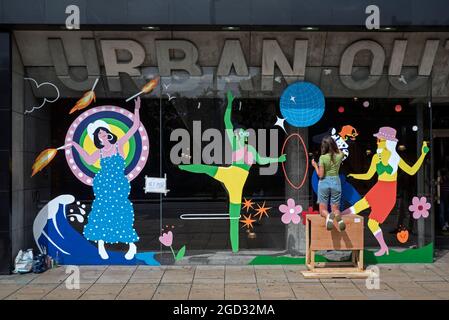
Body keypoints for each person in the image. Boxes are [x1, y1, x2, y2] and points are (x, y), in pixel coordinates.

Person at [178, 91, 286, 252]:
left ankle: (235, 249)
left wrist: (278, 159)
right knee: (206, 169)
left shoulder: (250, 149)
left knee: (234, 216)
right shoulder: (235, 145)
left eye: (240, 133)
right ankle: (182, 166)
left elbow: (263, 160)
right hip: (228, 173)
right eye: (236, 133)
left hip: (237, 183)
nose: (237, 134)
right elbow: (227, 123)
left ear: (246, 136)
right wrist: (229, 103)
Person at [63, 97, 142, 260]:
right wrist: (75, 145)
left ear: (109, 133)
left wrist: (136, 110)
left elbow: (134, 127)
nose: (102, 134)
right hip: (103, 185)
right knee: (102, 214)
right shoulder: (98, 153)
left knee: (121, 213)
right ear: (97, 138)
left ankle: (131, 245)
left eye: (104, 131)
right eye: (99, 133)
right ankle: (101, 245)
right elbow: (87, 159)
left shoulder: (119, 146)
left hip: (118, 186)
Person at [343, 127, 429, 256]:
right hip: (378, 188)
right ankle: (337, 216)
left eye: (380, 139)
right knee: (357, 207)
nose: (377, 142)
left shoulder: (395, 158)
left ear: (388, 142)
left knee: (372, 223)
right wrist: (354, 176)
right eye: (377, 139)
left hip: (388, 192)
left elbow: (411, 171)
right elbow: (368, 175)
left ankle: (384, 247)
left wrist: (423, 154)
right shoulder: (376, 158)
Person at [312, 136, 345, 231]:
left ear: (324, 147)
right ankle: (338, 217)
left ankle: (328, 216)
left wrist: (315, 166)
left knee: (322, 210)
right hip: (336, 182)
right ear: (333, 144)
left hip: (324, 183)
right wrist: (334, 145)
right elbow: (339, 151)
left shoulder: (322, 158)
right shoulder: (340, 155)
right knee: (336, 209)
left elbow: (320, 175)